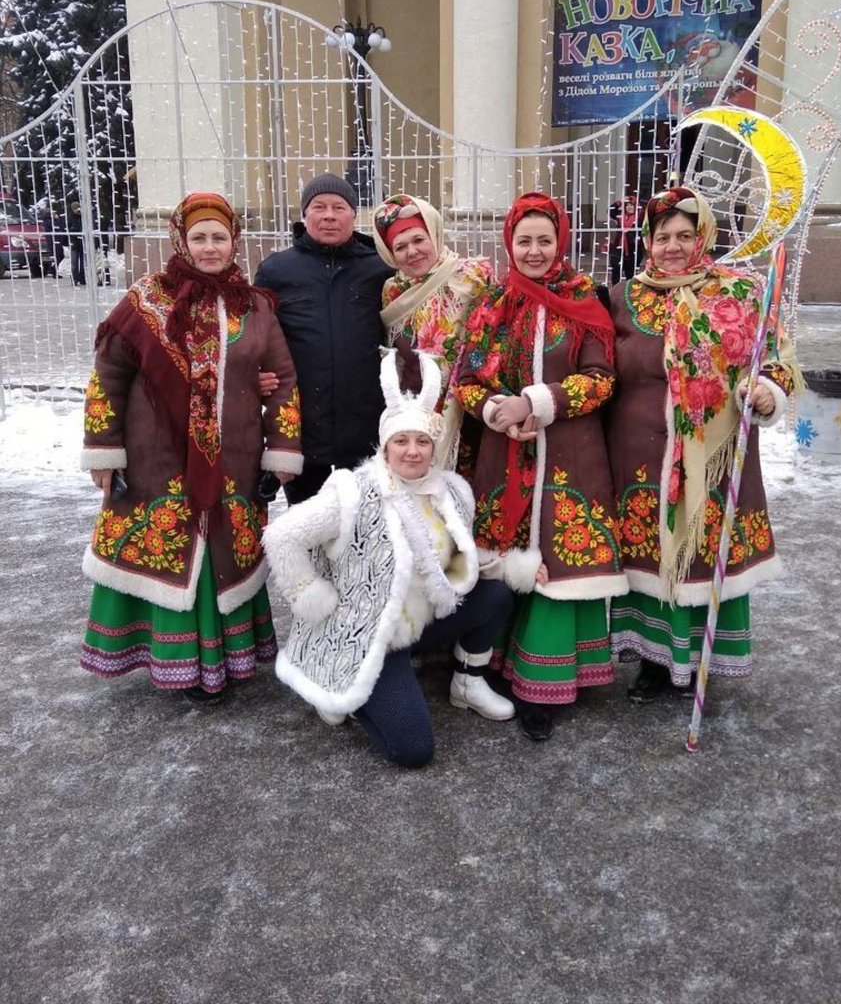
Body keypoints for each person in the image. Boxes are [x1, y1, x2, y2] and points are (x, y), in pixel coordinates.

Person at [80, 192, 303, 705]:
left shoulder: (256, 307)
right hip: (156, 458)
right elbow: (107, 375)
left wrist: (282, 451)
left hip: (236, 459)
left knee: (221, 552)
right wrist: (103, 452)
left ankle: (226, 660)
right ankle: (177, 661)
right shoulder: (146, 300)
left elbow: (285, 380)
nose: (209, 248)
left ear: (234, 243)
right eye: (198, 237)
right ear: (181, 240)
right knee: (174, 550)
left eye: (218, 238)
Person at [264, 350, 516, 768]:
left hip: (421, 619)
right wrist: (311, 595)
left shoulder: (451, 492)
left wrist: (513, 565)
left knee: (497, 594)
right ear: (385, 445)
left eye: (422, 441)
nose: (412, 452)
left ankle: (468, 683)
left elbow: (458, 560)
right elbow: (281, 536)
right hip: (368, 635)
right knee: (413, 750)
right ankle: (352, 692)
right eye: (401, 441)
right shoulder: (353, 492)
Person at [605, 185, 798, 701]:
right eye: (663, 236)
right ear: (647, 241)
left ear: (703, 237)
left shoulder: (738, 291)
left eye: (685, 235)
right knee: (650, 557)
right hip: (638, 452)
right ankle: (652, 660)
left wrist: (765, 389)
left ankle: (702, 660)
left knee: (700, 551)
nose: (673, 246)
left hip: (712, 452)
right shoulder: (624, 296)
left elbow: (776, 357)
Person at [455, 192, 627, 741]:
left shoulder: (585, 299)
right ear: (510, 242)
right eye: (524, 240)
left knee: (558, 565)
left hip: (569, 457)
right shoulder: (492, 302)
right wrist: (495, 411)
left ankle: (542, 686)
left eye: (544, 240)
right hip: (502, 455)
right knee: (502, 563)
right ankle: (489, 668)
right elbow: (466, 378)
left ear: (561, 242)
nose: (533, 251)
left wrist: (538, 402)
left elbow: (602, 378)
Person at [255, 172, 391, 504]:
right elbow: (255, 335)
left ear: (353, 215)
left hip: (364, 423)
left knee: (362, 519)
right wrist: (253, 375)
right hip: (302, 425)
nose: (329, 215)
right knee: (307, 520)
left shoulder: (379, 268)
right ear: (304, 214)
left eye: (339, 207)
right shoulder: (276, 270)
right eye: (319, 206)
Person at [372, 192, 493, 469]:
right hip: (416, 412)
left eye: (418, 240)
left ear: (434, 235)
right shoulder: (392, 292)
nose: (412, 252)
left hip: (469, 408)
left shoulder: (470, 276)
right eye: (400, 247)